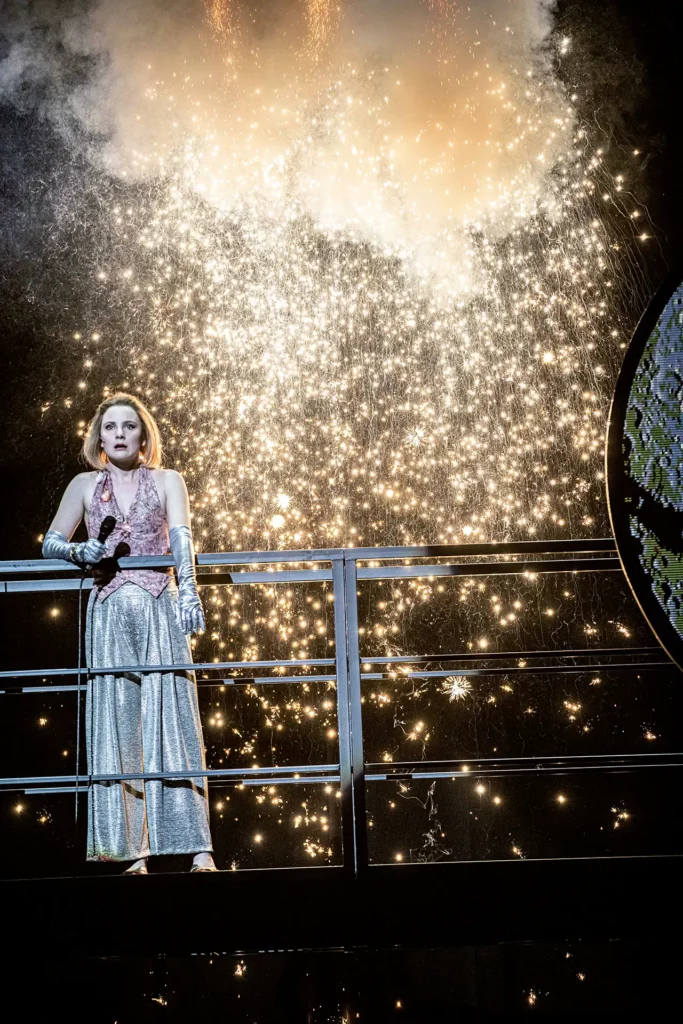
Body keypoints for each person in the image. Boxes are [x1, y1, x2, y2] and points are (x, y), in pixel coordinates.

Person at [42, 393, 217, 874]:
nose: (119, 433)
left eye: (129, 426)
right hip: (111, 613)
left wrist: (189, 593)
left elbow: (182, 538)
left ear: (144, 435)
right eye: (111, 426)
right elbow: (50, 541)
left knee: (174, 720)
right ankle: (132, 852)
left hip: (159, 606)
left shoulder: (167, 480)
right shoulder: (83, 485)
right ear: (99, 436)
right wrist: (83, 552)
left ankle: (198, 849)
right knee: (119, 726)